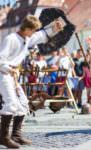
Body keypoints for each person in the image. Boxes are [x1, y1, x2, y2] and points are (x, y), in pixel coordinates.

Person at [0, 15, 63, 148]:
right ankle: (3, 137)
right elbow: (0, 59)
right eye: (33, 30)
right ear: (27, 29)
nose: (34, 32)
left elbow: (41, 35)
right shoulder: (10, 39)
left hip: (13, 76)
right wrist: (8, 69)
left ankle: (16, 135)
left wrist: (55, 28)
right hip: (4, 74)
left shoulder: (27, 38)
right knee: (11, 104)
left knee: (23, 103)